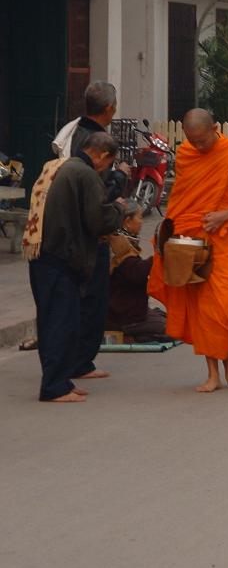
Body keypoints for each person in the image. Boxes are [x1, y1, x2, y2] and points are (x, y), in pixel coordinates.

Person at [148, 109, 228, 392]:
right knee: (201, 309)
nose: (197, 147)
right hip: (192, 241)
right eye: (192, 141)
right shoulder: (187, 154)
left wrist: (226, 214)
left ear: (215, 128)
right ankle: (214, 371)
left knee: (224, 306)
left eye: (202, 140)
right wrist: (168, 234)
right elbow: (181, 198)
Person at [24, 133, 124, 402]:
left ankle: (61, 381)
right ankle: (54, 387)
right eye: (107, 163)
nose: (105, 170)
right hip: (60, 257)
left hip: (42, 254)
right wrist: (118, 210)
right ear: (102, 155)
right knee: (60, 322)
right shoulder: (85, 174)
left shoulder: (56, 166)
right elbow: (99, 220)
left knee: (52, 320)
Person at [54, 82, 131, 382]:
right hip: (89, 230)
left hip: (68, 227)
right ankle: (81, 362)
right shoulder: (95, 144)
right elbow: (99, 194)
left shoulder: (72, 132)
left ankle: (75, 360)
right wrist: (121, 178)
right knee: (92, 299)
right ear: (110, 109)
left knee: (79, 299)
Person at [106, 200, 167, 342]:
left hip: (133, 310)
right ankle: (130, 337)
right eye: (139, 217)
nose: (142, 222)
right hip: (123, 315)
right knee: (171, 330)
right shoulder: (118, 243)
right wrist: (160, 256)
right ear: (127, 221)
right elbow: (136, 272)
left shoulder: (123, 239)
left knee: (171, 320)